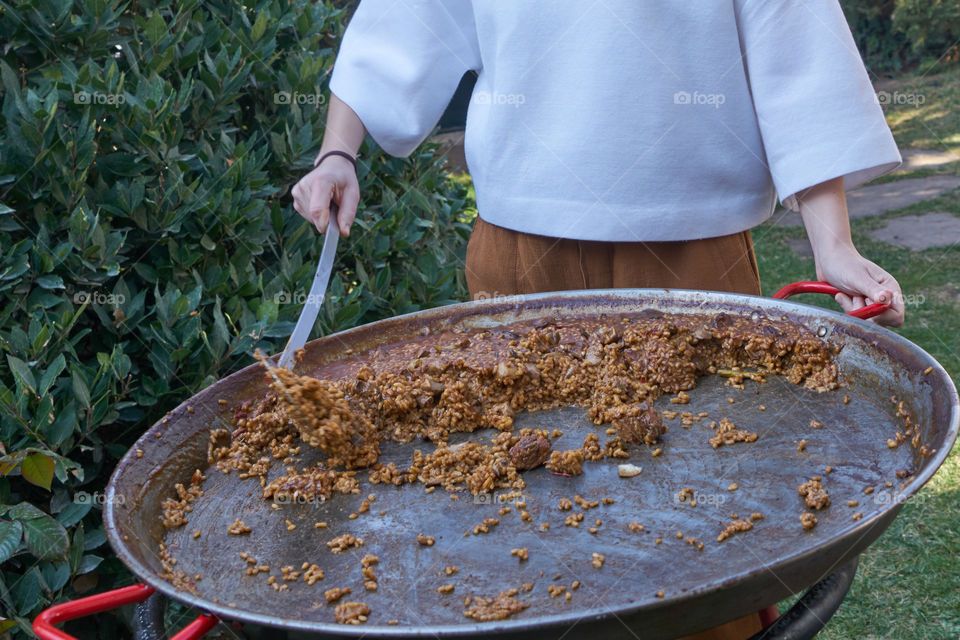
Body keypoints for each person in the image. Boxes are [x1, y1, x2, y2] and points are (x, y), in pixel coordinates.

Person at [292, 2, 904, 637]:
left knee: (700, 525)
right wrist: (338, 152)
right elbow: (409, 17)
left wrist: (834, 245)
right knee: (511, 524)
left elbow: (794, 38)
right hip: (519, 259)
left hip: (687, 257)